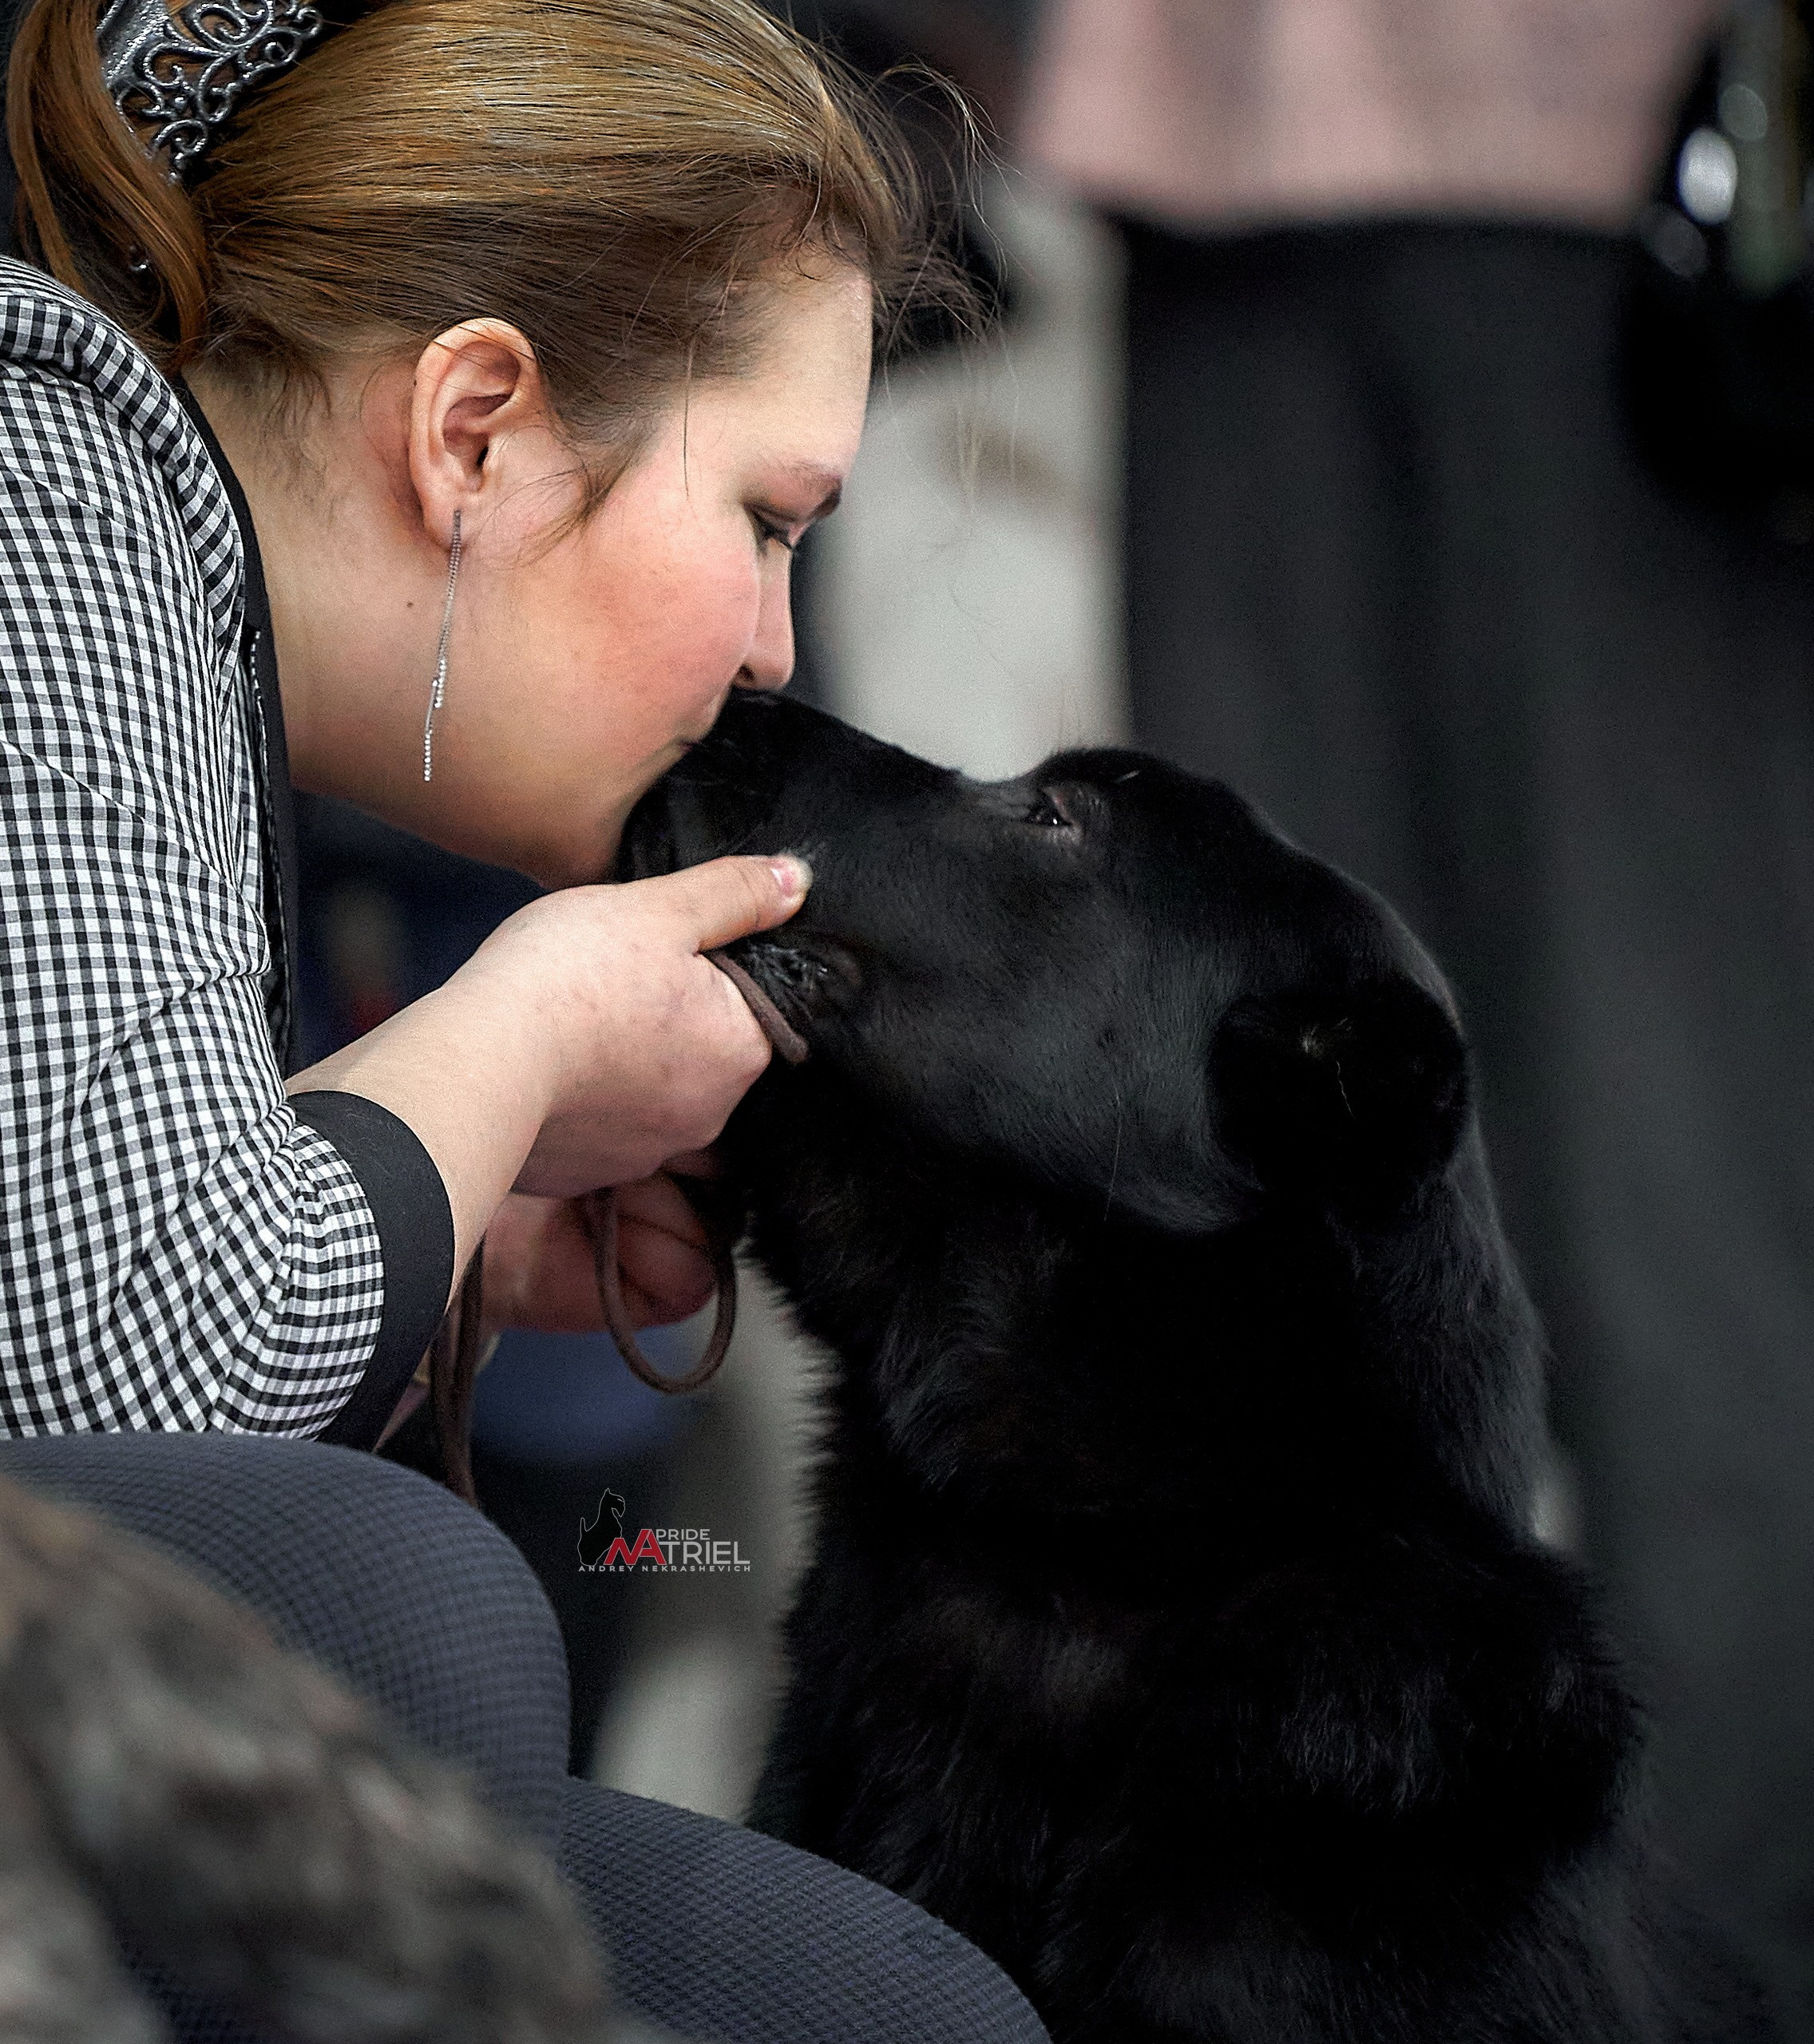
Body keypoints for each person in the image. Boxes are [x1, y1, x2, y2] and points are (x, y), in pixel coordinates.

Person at [0, 0, 933, 1444]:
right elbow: (134, 1373)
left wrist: (443, 1220)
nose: (775, 651)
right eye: (763, 521)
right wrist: (535, 1032)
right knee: (426, 1594)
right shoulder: (47, 498)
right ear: (472, 431)